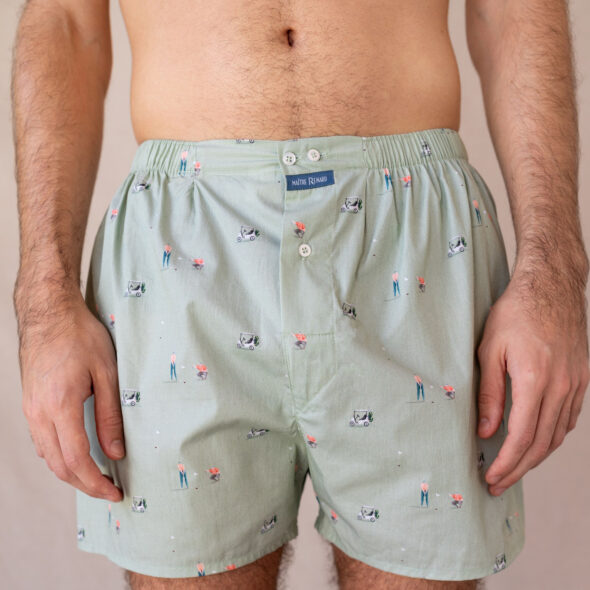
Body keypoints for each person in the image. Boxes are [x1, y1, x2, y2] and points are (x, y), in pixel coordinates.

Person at [10, 1, 590, 589]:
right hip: (180, 256)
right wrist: (45, 304)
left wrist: (554, 275)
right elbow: (65, 20)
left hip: (412, 242)